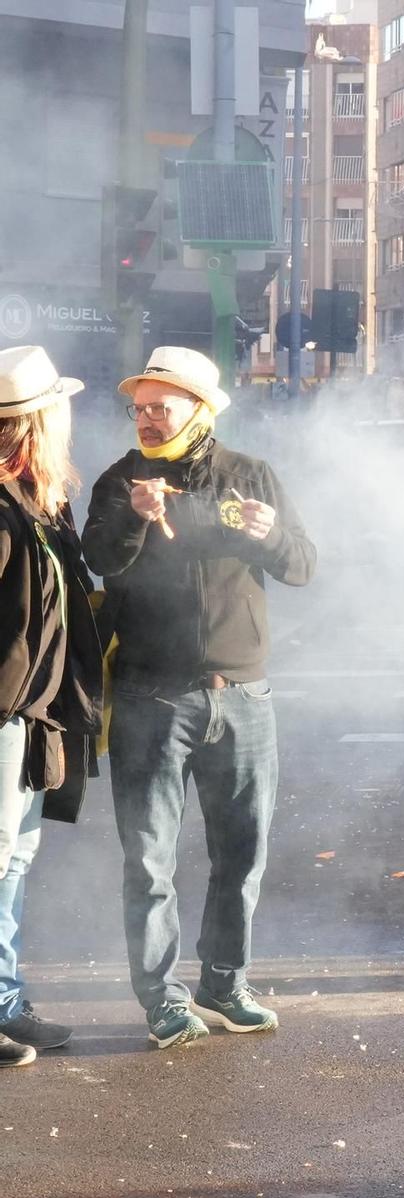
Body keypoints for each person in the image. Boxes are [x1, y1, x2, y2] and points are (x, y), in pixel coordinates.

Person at [82, 346, 315, 1049]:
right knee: (149, 860)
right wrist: (135, 517)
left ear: (201, 409)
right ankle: (162, 998)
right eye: (140, 408)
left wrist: (269, 532)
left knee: (242, 853)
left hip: (243, 695)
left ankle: (224, 980)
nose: (148, 419)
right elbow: (98, 558)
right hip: (152, 696)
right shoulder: (121, 481)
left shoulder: (252, 475)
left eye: (163, 406)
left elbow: (303, 564)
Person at [0, 347, 103, 1068]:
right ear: (39, 421)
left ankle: (5, 1000)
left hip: (37, 712)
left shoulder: (43, 501)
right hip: (6, 712)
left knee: (14, 857)